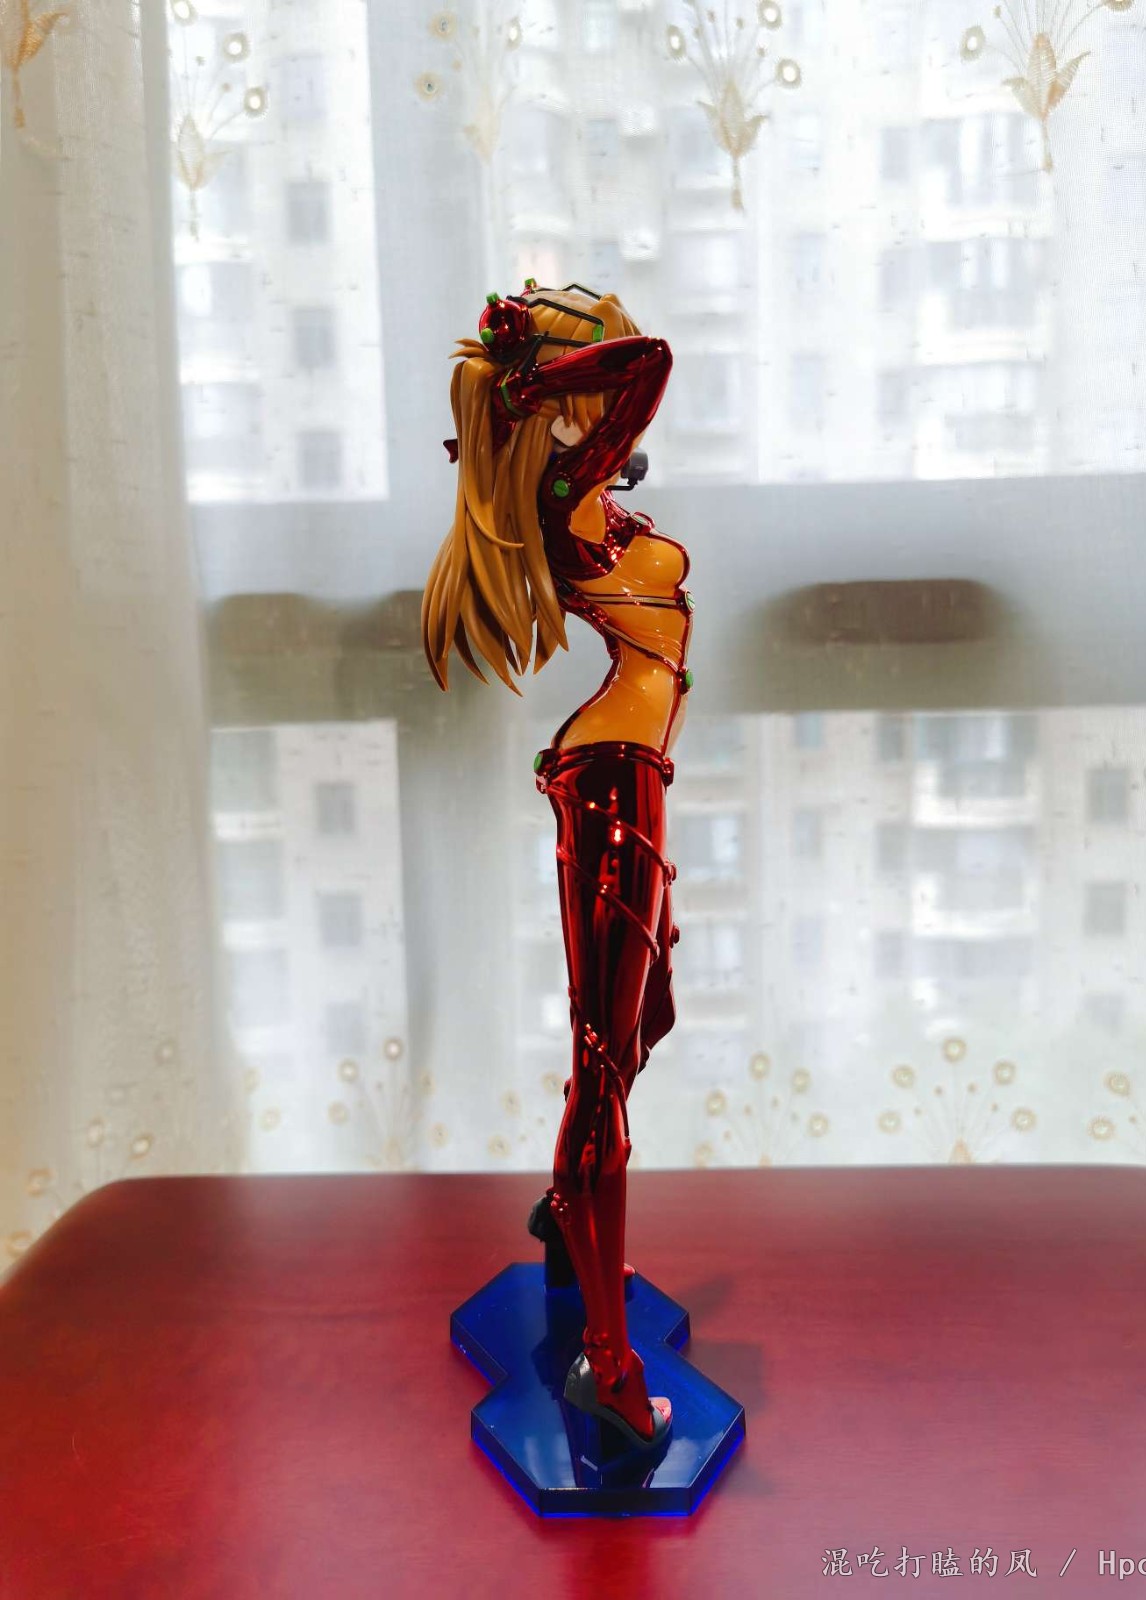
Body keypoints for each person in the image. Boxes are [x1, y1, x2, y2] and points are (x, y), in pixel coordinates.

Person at [422, 282, 693, 1453]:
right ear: (555, 406)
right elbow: (650, 363)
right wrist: (536, 371)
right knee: (604, 1068)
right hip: (610, 779)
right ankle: (608, 1366)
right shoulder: (559, 493)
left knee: (639, 1024)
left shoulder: (592, 494)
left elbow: (635, 371)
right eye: (585, 380)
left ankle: (559, 1210)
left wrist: (553, 373)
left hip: (635, 776)